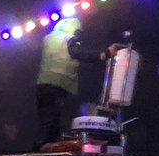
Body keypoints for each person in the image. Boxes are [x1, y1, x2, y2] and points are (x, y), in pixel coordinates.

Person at [34, 17, 121, 147]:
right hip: (58, 85)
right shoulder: (68, 39)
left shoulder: (49, 38)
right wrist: (106, 54)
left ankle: (41, 149)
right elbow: (79, 54)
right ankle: (46, 147)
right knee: (53, 123)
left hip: (42, 85)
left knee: (46, 121)